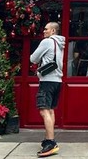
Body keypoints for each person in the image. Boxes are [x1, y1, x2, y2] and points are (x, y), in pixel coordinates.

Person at [30, 22, 66, 157]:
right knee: (50, 110)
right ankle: (47, 139)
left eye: (46, 29)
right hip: (58, 80)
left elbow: (33, 59)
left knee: (44, 111)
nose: (43, 31)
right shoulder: (60, 43)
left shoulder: (47, 42)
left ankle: (50, 142)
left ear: (52, 31)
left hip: (47, 80)